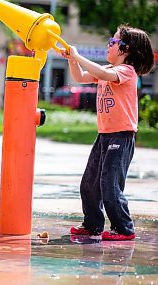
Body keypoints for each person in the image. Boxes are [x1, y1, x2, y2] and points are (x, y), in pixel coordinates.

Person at [61, 24, 154, 241]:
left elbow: (100, 72)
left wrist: (78, 55)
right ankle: (92, 224)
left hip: (121, 136)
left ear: (126, 49)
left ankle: (124, 228)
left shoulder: (127, 72)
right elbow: (80, 77)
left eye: (113, 42)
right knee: (89, 183)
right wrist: (72, 60)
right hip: (104, 135)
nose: (108, 45)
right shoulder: (107, 71)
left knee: (110, 185)